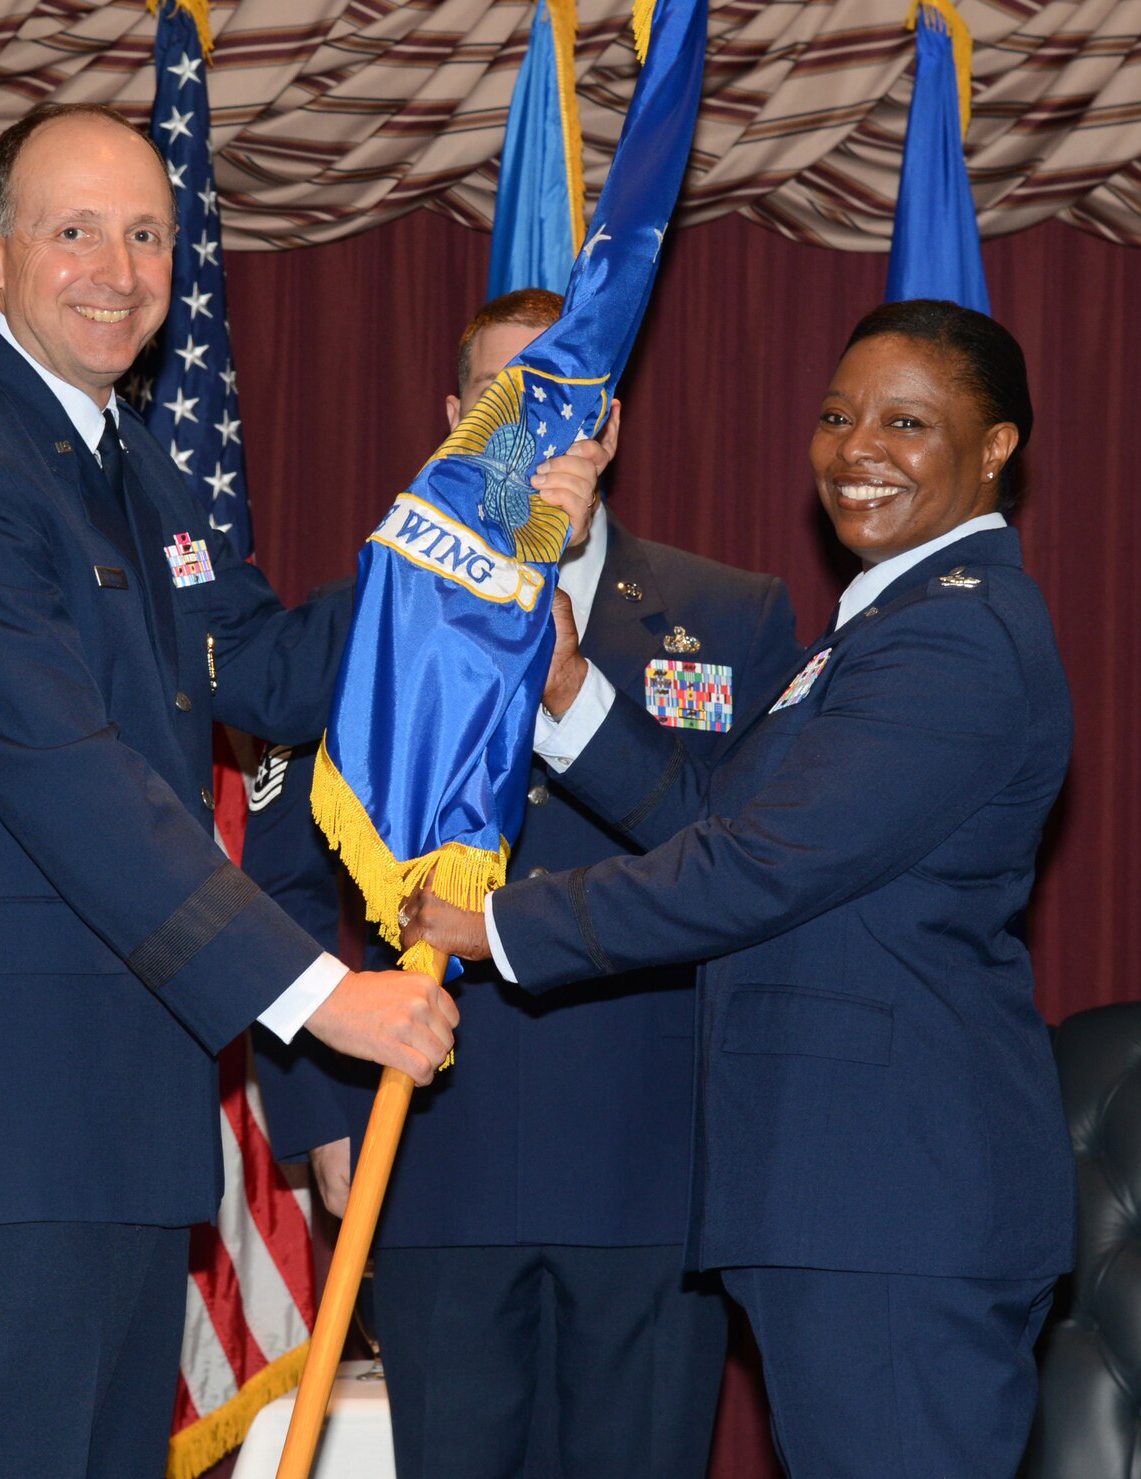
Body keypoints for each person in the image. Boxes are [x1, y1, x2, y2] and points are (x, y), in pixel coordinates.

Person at [0, 103, 545, 1479]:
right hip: (5, 1135)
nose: (117, 267)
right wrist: (326, 996)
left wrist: (471, 520)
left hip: (123, 1127)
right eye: (74, 230)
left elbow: (262, 666)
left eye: (148, 234)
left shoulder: (129, 459)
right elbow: (75, 783)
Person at [407, 299, 1077, 1478]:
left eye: (905, 422)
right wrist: (569, 699)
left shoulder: (951, 642)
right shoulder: (874, 630)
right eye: (835, 415)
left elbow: (755, 867)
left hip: (890, 1205)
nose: (855, 448)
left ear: (995, 449)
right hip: (837, 1201)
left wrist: (497, 925)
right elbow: (733, 824)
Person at [248, 288, 804, 1479]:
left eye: (568, 409)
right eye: (509, 406)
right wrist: (314, 1113)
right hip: (433, 1150)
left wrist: (567, 699)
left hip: (651, 1166)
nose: (541, 438)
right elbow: (282, 881)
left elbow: (749, 863)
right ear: (455, 422)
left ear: (608, 426)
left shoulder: (730, 616)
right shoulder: (370, 613)